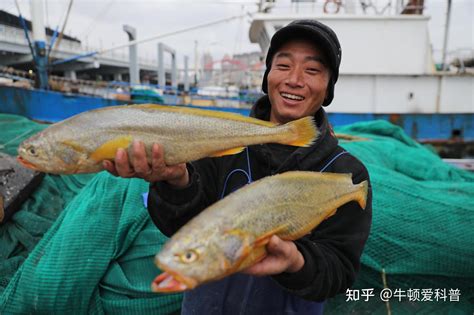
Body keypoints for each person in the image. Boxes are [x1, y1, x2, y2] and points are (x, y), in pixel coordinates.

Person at [104, 19, 372, 315]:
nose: (294, 79)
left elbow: (340, 271)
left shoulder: (347, 174)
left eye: (312, 70)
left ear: (328, 88)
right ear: (267, 74)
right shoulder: (220, 144)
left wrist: (296, 260)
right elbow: (178, 223)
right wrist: (176, 180)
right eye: (283, 66)